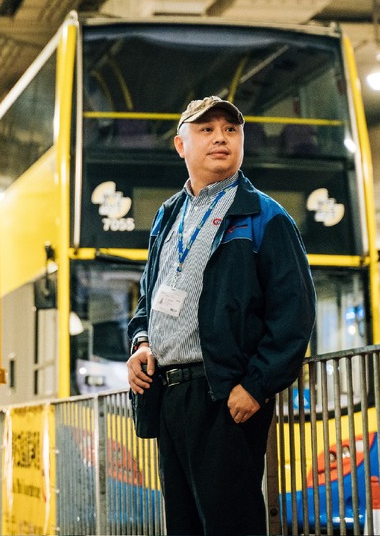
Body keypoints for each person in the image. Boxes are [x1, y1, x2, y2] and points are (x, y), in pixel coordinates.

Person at [126, 95, 316, 535]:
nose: (220, 139)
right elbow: (149, 298)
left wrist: (256, 385)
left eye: (231, 130)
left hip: (224, 396)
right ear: (181, 145)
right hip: (169, 394)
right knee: (185, 526)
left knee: (231, 525)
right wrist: (141, 342)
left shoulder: (265, 217)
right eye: (207, 130)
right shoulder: (168, 216)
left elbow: (296, 313)